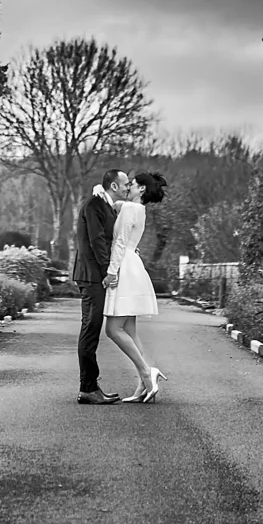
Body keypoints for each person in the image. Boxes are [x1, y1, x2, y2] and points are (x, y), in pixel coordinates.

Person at [104, 171, 168, 402]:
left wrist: (111, 272)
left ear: (141, 189)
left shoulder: (132, 209)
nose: (128, 186)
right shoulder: (137, 209)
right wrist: (101, 192)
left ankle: (145, 371)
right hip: (132, 264)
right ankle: (144, 384)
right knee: (129, 329)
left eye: (132, 184)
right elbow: (117, 203)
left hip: (124, 267)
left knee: (112, 329)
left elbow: (120, 242)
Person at [71, 168, 131, 404]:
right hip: (92, 275)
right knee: (90, 329)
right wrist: (109, 270)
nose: (128, 187)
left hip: (94, 274)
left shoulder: (102, 204)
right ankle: (87, 388)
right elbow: (97, 240)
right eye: (125, 184)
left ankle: (90, 386)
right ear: (114, 186)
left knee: (91, 329)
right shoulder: (94, 205)